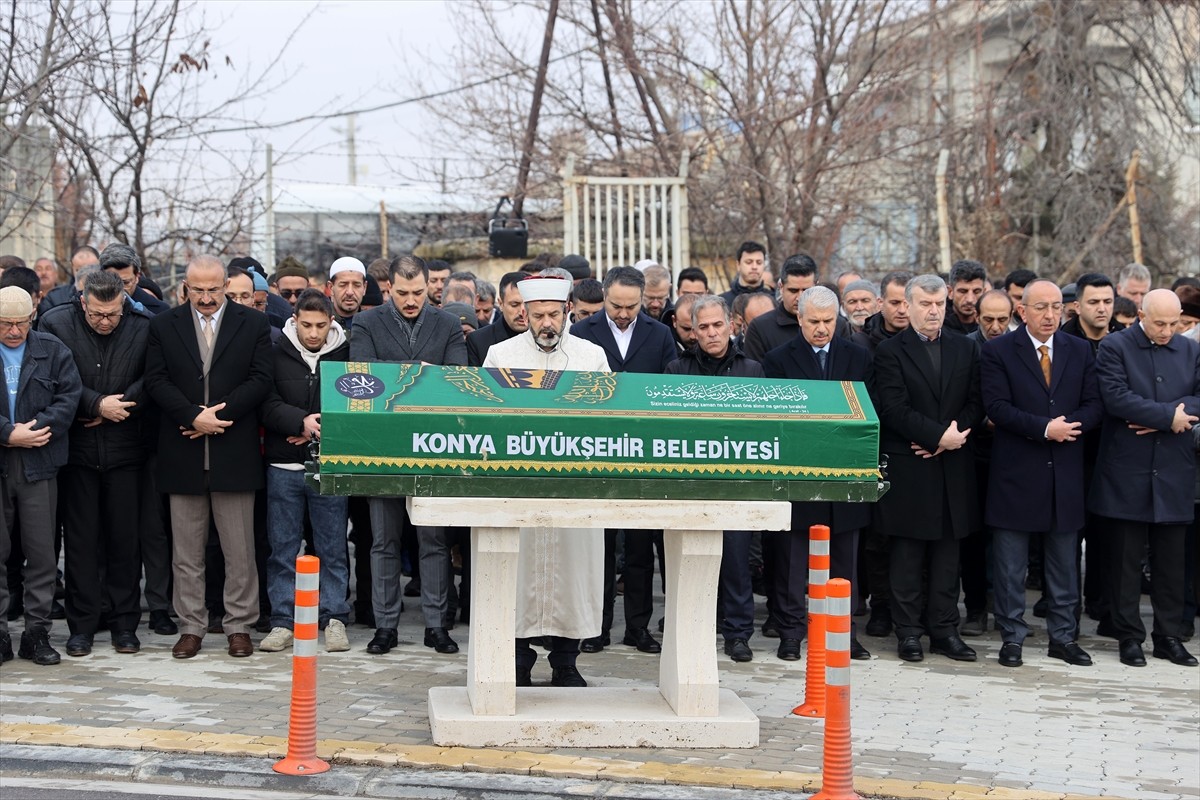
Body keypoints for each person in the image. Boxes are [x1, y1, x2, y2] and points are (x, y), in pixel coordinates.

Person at [144, 255, 274, 659]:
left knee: (240, 549)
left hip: (233, 450)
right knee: (186, 552)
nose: (205, 297)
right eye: (197, 289)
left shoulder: (252, 323)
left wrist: (218, 415)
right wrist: (191, 417)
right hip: (182, 451)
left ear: (226, 285)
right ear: (185, 287)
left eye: (212, 289)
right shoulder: (164, 324)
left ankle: (239, 626)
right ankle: (191, 626)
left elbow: (260, 379)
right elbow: (155, 379)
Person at [482, 275, 609, 686]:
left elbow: (610, 415)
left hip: (577, 486)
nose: (546, 324)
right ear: (525, 314)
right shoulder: (500, 355)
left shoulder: (591, 356)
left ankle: (566, 664)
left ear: (567, 310)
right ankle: (517, 662)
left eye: (554, 314)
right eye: (537, 316)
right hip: (516, 486)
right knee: (516, 573)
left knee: (573, 575)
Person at [980, 280, 1104, 668]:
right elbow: (996, 406)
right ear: (1023, 311)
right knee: (1011, 566)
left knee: (1065, 564)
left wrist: (1069, 426)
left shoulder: (1079, 349)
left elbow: (1095, 403)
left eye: (1056, 307)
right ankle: (1012, 637)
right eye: (1041, 308)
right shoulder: (998, 350)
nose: (1050, 315)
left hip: (1064, 473)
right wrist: (1045, 428)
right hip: (1016, 473)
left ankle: (1063, 637)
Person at [349, 255, 467, 656]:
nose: (412, 300)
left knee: (433, 540)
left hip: (433, 445)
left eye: (418, 292)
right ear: (389, 289)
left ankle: (437, 624)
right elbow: (361, 373)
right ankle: (385, 626)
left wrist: (397, 372)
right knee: (383, 540)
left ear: (429, 287)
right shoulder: (366, 322)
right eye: (403, 293)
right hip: (382, 444)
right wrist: (418, 370)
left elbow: (454, 379)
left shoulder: (448, 323)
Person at [870, 274, 984, 663]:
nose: (933, 311)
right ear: (908, 305)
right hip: (911, 468)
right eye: (925, 304)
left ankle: (944, 631)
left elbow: (976, 401)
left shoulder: (965, 349)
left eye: (939, 304)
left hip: (953, 467)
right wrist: (938, 436)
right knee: (907, 557)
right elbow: (893, 408)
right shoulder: (890, 352)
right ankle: (909, 633)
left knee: (947, 558)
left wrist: (952, 437)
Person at [39, 270, 151, 657]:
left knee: (125, 542)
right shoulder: (55, 323)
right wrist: (94, 404)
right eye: (97, 314)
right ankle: (81, 627)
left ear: (124, 303)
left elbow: (152, 378)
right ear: (82, 302)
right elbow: (52, 380)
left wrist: (119, 407)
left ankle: (124, 625)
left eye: (113, 315)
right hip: (78, 454)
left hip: (126, 451)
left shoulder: (142, 325)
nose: (105, 322)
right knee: (82, 545)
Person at [763, 286, 874, 662]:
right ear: (799, 319)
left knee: (845, 560)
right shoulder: (778, 360)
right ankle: (791, 632)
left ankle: (844, 632)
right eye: (814, 322)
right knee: (793, 562)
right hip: (799, 472)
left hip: (845, 474)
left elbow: (869, 414)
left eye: (829, 321)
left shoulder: (858, 357)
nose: (822, 329)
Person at [1090, 289, 1199, 667]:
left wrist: (1163, 419)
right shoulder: (1115, 347)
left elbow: (1199, 397)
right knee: (1124, 560)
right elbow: (1115, 397)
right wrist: (1169, 418)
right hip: (1127, 469)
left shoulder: (1190, 350)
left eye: (1174, 323)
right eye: (1160, 324)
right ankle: (1129, 636)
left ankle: (1168, 636)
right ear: (1141, 314)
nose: (1168, 331)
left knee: (1171, 562)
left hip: (1173, 470)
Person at [572, 266, 678, 654]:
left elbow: (668, 391)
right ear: (604, 296)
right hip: (595, 450)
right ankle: (595, 627)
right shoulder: (582, 333)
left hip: (642, 451)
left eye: (631, 306)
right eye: (616, 305)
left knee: (638, 547)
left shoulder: (660, 334)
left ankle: (638, 627)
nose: (622, 313)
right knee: (597, 547)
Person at [664, 295, 764, 661]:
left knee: (737, 561)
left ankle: (738, 634)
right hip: (691, 482)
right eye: (702, 327)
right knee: (690, 559)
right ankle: (692, 630)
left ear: (731, 325)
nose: (711, 333)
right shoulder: (677, 370)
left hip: (736, 482)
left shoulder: (752, 370)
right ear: (693, 331)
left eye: (717, 325)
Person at [258, 290, 352, 654]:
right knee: (282, 548)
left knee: (332, 546)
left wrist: (322, 425)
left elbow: (355, 398)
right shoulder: (275, 349)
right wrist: (299, 421)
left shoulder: (346, 352)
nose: (313, 333)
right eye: (306, 325)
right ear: (294, 319)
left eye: (321, 325)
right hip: (283, 463)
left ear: (331, 322)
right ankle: (282, 620)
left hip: (329, 463)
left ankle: (335, 617)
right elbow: (264, 402)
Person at [0, 287, 82, 665]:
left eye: (21, 323)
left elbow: (69, 398)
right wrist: (7, 433)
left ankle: (36, 632)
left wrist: (34, 429)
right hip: (3, 456)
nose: (14, 331)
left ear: (33, 317)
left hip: (40, 459)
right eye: (5, 324)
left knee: (42, 553)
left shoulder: (52, 349)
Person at [466, 272, 528, 367]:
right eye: (514, 305)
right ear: (500, 304)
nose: (521, 312)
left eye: (527, 304)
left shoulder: (546, 339)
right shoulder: (478, 341)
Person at [99, 243, 169, 315]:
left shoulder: (160, 311)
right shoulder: (89, 306)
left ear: (137, 277)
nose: (118, 289)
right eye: (112, 282)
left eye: (125, 283)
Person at [719, 241, 771, 306]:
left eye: (759, 262)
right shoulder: (723, 303)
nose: (754, 267)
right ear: (738, 265)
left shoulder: (773, 300)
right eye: (749, 262)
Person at [943, 259, 988, 335]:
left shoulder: (992, 325)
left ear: (984, 292)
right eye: (963, 291)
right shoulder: (937, 328)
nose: (970, 299)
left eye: (976, 291)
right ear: (950, 292)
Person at [328, 257, 367, 336]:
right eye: (343, 285)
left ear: (364, 287)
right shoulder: (319, 323)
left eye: (356, 285)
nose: (350, 292)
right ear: (331, 287)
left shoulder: (374, 324)